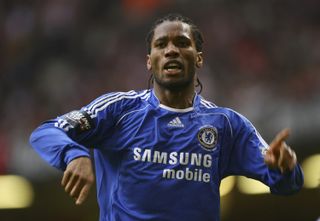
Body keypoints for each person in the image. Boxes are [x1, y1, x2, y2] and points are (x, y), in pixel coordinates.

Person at [30, 13, 303, 221]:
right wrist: (74, 155)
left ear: (198, 58)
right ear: (150, 60)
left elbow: (288, 185)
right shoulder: (118, 110)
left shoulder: (228, 126)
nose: (171, 50)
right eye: (161, 44)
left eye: (182, 43)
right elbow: (46, 131)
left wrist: (285, 168)